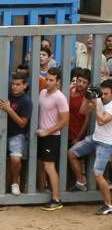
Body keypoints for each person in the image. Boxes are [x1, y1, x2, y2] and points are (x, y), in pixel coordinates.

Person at [67, 79, 112, 215]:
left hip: (106, 143)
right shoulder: (99, 100)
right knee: (72, 153)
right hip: (94, 138)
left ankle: (109, 205)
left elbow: (102, 120)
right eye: (102, 93)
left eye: (106, 94)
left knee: (98, 174)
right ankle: (81, 182)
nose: (102, 96)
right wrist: (88, 98)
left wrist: (97, 105)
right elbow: (82, 111)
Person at [37, 67, 69, 211]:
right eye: (47, 79)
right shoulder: (42, 92)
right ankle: (42, 192)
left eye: (51, 80)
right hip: (41, 135)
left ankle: (56, 199)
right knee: (42, 165)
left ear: (58, 81)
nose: (48, 82)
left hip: (52, 137)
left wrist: (47, 132)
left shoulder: (60, 97)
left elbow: (64, 121)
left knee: (49, 167)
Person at [0, 72, 32, 196]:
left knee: (16, 159)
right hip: (0, 133)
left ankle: (15, 183)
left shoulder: (26, 101)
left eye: (18, 84)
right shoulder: (5, 94)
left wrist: (9, 110)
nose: (14, 87)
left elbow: (22, 123)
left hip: (17, 134)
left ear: (25, 85)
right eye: (13, 84)